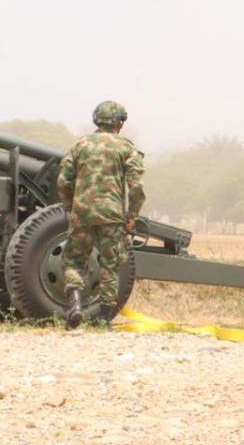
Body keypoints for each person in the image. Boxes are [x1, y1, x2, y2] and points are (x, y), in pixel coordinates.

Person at [56, 100, 146, 330]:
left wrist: (71, 207)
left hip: (82, 213)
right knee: (110, 265)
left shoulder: (80, 145)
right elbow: (136, 187)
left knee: (73, 261)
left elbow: (63, 181)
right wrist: (132, 215)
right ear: (120, 123)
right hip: (112, 215)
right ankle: (104, 319)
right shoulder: (126, 147)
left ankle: (75, 305)